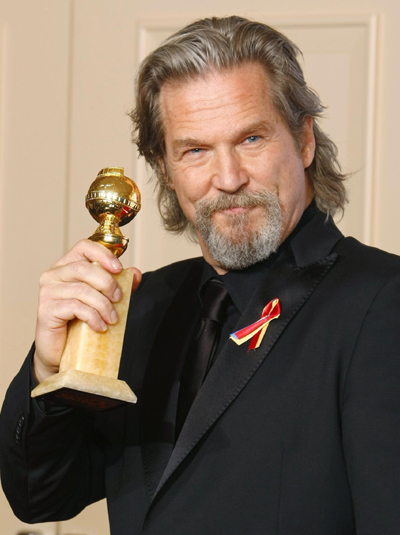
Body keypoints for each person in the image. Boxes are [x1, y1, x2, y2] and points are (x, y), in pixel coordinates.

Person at [1, 15, 400, 535]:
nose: (229, 178)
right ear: (165, 168)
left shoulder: (382, 301)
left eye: (251, 138)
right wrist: (51, 369)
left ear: (304, 141)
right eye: (195, 150)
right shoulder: (138, 305)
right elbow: (39, 497)